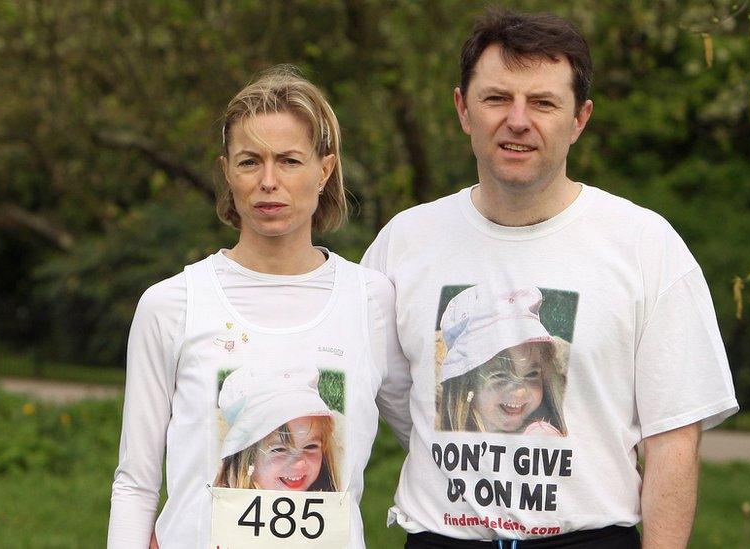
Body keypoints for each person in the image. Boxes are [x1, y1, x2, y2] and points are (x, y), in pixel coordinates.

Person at [362, 9, 738, 548]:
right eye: (496, 99)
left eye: (543, 102)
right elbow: (397, 397)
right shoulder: (404, 242)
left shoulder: (644, 245)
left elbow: (673, 439)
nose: (518, 120)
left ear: (579, 119)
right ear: (463, 109)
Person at [108, 65, 411, 549]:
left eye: (289, 161)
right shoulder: (171, 304)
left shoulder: (372, 300)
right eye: (250, 162)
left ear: (324, 170)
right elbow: (135, 483)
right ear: (227, 172)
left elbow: (428, 440)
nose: (269, 181)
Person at [436, 285, 568, 436]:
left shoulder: (540, 435)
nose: (520, 392)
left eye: (531, 374)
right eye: (499, 376)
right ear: (467, 382)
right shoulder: (460, 432)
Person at [213, 366, 341, 492]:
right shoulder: (225, 507)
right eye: (279, 449)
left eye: (311, 446)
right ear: (247, 459)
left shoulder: (333, 499)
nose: (299, 464)